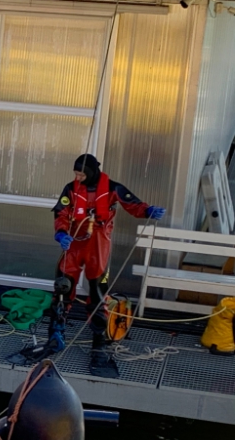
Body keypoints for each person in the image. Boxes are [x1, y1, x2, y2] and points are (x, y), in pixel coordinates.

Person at [50, 153, 165, 374]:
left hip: (98, 247)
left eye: (81, 173)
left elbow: (131, 203)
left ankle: (99, 343)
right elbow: (61, 212)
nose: (78, 176)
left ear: (91, 172)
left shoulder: (112, 188)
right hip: (73, 244)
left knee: (98, 294)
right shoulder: (71, 189)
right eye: (76, 173)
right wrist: (61, 234)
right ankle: (55, 334)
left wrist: (148, 210)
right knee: (62, 287)